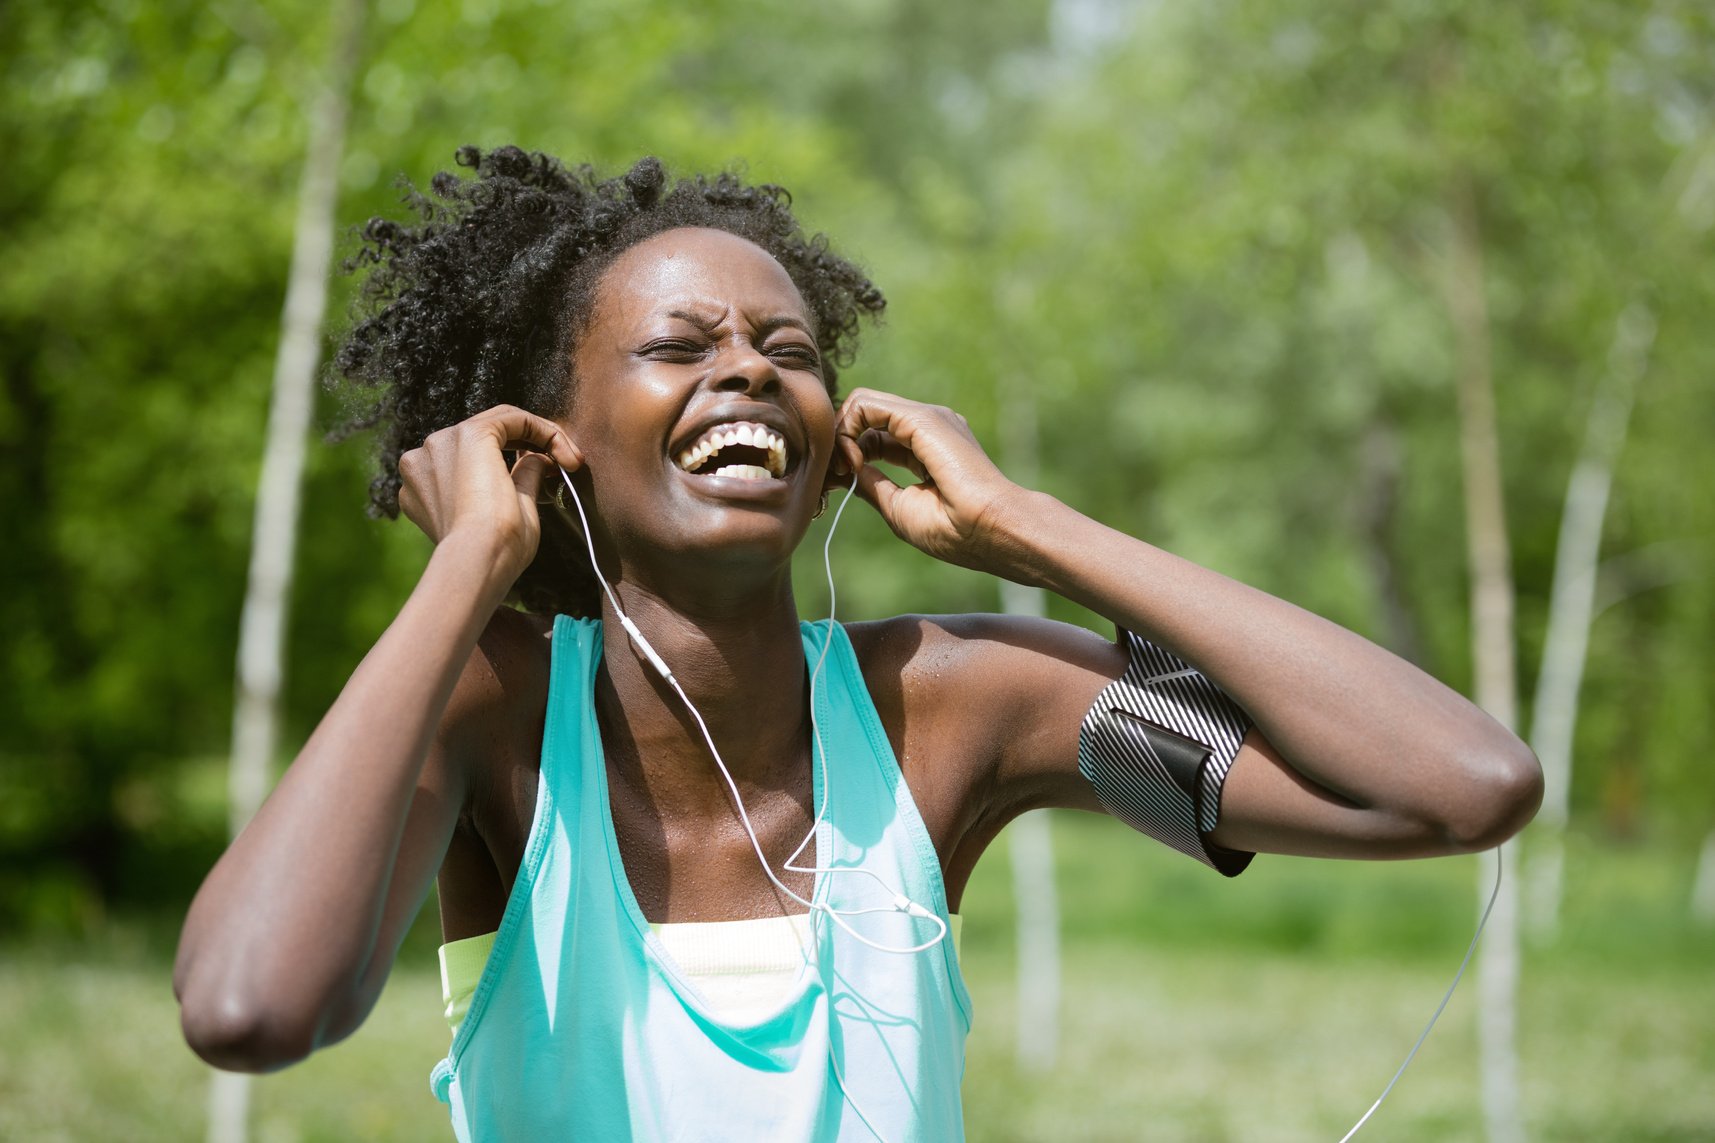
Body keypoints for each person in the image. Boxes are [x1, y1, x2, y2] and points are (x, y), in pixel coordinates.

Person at [174, 148, 1542, 1140]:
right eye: (681, 347)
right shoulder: (495, 710)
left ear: (834, 453)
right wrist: (474, 564)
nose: (753, 370)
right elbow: (251, 1007)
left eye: (787, 348)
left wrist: (1030, 529)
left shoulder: (953, 706)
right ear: (553, 443)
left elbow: (1458, 787)